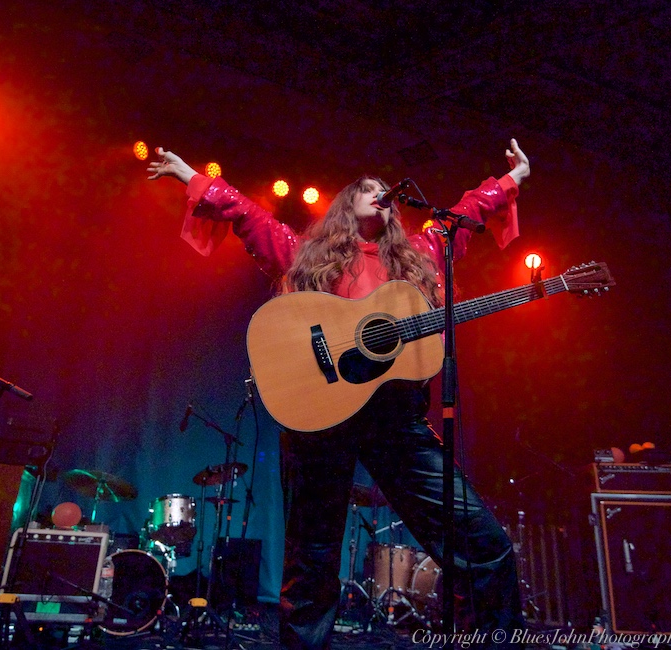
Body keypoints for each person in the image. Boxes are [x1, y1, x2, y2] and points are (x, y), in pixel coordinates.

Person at [148, 139, 531, 649]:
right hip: (318, 414)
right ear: (345, 203)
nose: (380, 194)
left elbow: (466, 211)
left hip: (395, 416)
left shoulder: (423, 250)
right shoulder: (305, 252)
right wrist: (189, 175)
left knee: (482, 542)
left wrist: (511, 180)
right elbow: (249, 215)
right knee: (311, 560)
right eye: (368, 189)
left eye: (384, 191)